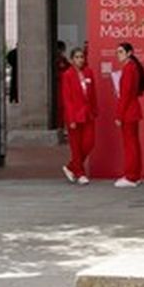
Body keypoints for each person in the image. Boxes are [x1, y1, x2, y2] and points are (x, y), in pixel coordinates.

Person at [60, 47, 98, 185]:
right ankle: (80, 173)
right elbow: (67, 98)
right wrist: (71, 119)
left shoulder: (89, 72)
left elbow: (93, 93)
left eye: (81, 57)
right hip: (74, 115)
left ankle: (71, 167)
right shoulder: (67, 75)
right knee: (75, 146)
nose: (80, 59)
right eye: (76, 57)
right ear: (71, 59)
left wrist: (95, 111)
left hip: (88, 114)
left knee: (89, 143)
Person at [113, 42, 144, 188]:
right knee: (133, 144)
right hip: (132, 110)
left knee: (130, 145)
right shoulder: (132, 67)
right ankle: (135, 175)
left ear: (129, 53)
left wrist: (118, 115)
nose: (118, 54)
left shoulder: (129, 69)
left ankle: (131, 176)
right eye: (117, 52)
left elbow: (125, 95)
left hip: (128, 112)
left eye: (121, 51)